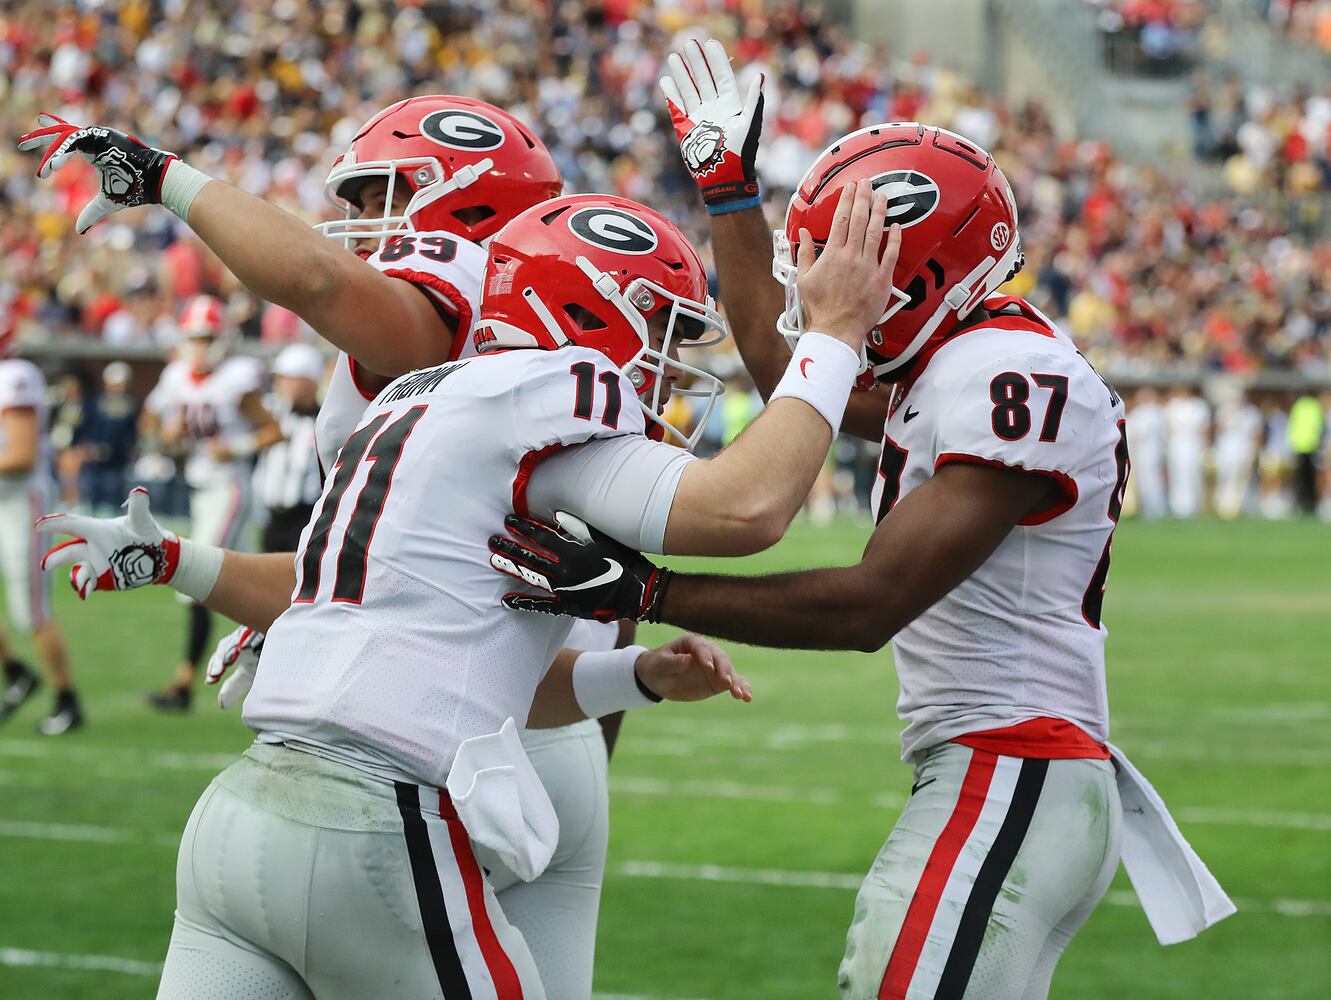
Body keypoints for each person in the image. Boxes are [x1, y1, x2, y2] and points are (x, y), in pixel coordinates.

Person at [486, 43, 1233, 1000]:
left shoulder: (1010, 371)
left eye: (843, 268)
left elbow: (867, 606)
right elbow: (789, 374)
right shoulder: (959, 362)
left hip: (1014, 765)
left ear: (917, 272)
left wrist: (647, 592)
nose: (822, 293)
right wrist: (729, 195)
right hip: (1005, 772)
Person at [37, 183, 894, 999]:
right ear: (589, 313)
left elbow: (474, 674)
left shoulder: (416, 403)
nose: (670, 372)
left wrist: (635, 676)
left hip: (240, 819)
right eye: (662, 330)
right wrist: (831, 337)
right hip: (376, 827)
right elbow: (747, 507)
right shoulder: (549, 400)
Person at [21, 97, 693, 1000]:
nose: (359, 218)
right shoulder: (559, 372)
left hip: (436, 750)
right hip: (535, 726)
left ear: (462, 198)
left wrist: (165, 178)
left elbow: (318, 279)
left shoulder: (463, 299)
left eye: (382, 191)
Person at [140, 294, 283, 709]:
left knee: (195, 578)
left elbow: (274, 430)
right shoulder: (175, 376)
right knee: (259, 586)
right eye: (195, 338)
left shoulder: (236, 377)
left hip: (230, 487)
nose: (200, 346)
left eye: (207, 338)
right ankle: (277, 656)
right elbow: (150, 421)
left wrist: (236, 447)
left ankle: (184, 683)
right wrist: (165, 435)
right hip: (198, 489)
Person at [0, 327, 80, 734]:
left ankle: (67, 699)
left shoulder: (14, 376)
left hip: (20, 502)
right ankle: (16, 672)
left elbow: (21, 455)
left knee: (30, 609)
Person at [254, 343, 326, 553]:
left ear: (310, 380)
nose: (281, 384)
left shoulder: (323, 419)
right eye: (280, 378)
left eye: (290, 378)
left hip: (306, 516)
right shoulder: (274, 411)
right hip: (273, 516)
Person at [75, 361, 140, 514]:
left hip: (116, 464)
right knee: (89, 505)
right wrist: (86, 448)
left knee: (113, 507)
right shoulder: (93, 404)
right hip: (92, 464)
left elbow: (132, 435)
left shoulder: (130, 406)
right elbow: (81, 429)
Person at [1211, 386, 1262, 519]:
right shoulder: (1224, 410)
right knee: (1224, 477)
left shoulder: (1251, 412)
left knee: (1241, 480)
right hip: (1226, 451)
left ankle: (1241, 506)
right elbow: (1218, 428)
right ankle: (1223, 506)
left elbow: (1257, 433)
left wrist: (1255, 450)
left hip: (1244, 451)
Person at [1163, 385, 1209, 517]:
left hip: (1194, 445)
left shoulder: (1199, 406)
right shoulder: (1173, 405)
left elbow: (1205, 428)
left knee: (1193, 475)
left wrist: (1206, 447)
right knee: (1177, 475)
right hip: (1176, 445)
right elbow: (1168, 428)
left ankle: (1194, 506)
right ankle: (1178, 507)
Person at [1126, 386, 1167, 518]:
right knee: (1144, 481)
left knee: (1153, 481)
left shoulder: (1154, 412)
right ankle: (1148, 508)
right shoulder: (1140, 413)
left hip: (1152, 452)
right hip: (1142, 453)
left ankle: (1157, 509)